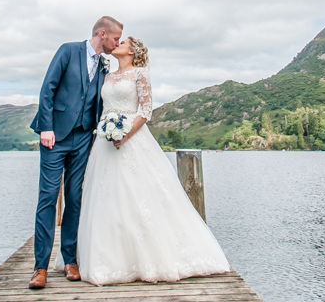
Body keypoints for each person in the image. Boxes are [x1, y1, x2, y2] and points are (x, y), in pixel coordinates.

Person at [77, 36, 231, 285]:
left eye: (124, 42)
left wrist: (125, 134)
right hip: (105, 143)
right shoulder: (107, 75)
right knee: (105, 198)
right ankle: (109, 258)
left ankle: (153, 257)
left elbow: (145, 110)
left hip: (134, 139)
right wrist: (106, 130)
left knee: (142, 196)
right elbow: (103, 108)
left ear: (133, 51)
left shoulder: (140, 74)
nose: (117, 43)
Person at [27, 16, 123, 290]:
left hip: (84, 137)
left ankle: (70, 260)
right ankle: (40, 267)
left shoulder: (105, 64)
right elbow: (48, 89)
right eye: (115, 39)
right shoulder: (68, 50)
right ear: (102, 34)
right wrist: (46, 127)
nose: (116, 44)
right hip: (54, 137)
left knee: (74, 198)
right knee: (47, 199)